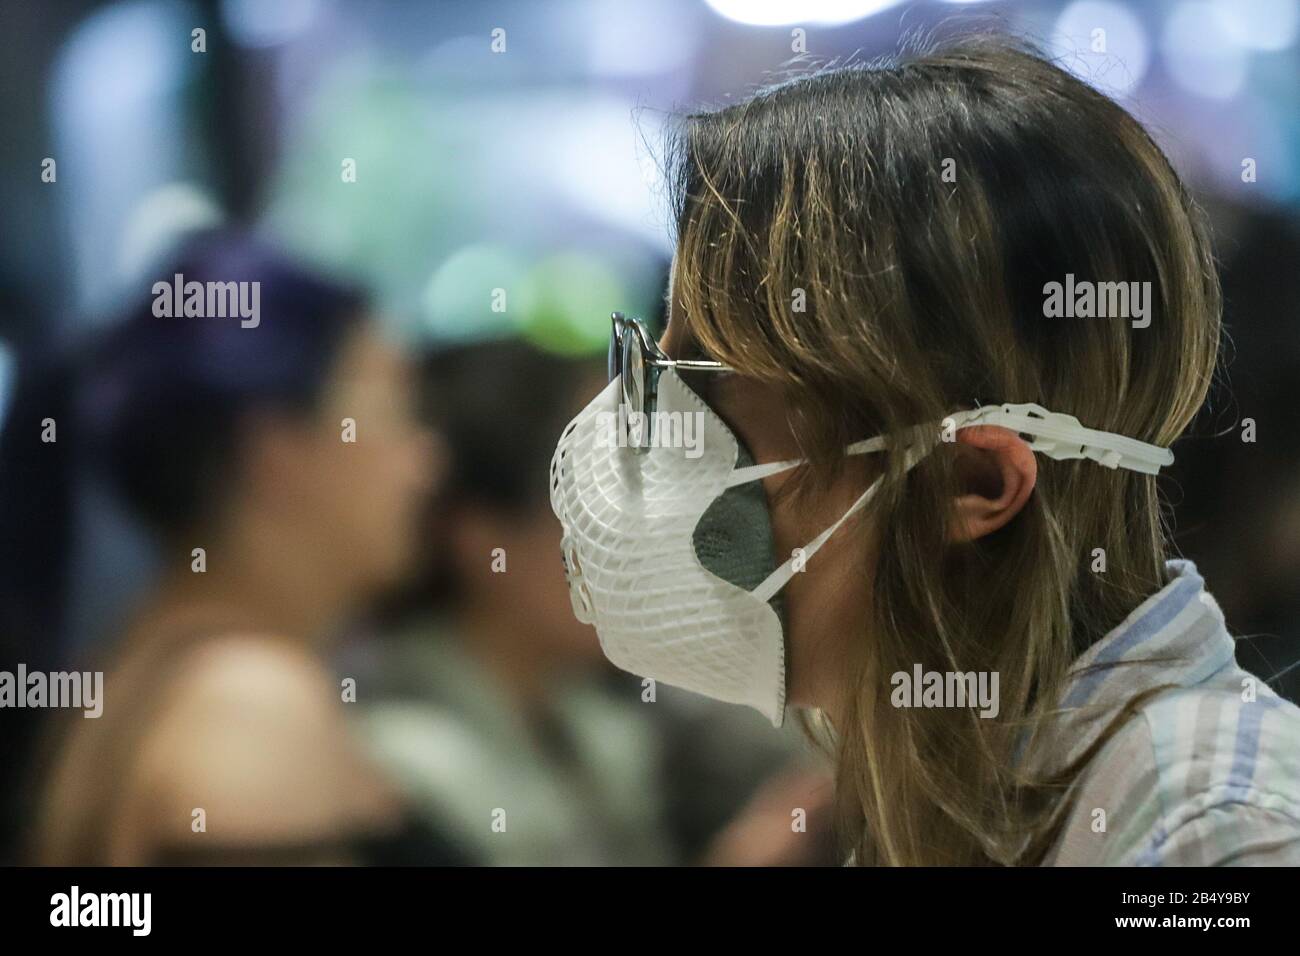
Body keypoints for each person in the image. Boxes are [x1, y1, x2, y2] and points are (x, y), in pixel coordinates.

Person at [549, 36, 1300, 865]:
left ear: (970, 479)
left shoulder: (1214, 839)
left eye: (703, 382)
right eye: (650, 366)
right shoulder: (947, 786)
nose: (647, 431)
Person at [9, 230, 465, 864]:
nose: (426, 463)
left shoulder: (154, 666)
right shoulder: (249, 705)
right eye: (392, 412)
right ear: (275, 455)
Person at [356, 339, 832, 865]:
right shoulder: (406, 759)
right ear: (483, 540)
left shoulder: (600, 724)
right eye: (594, 497)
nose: (645, 532)